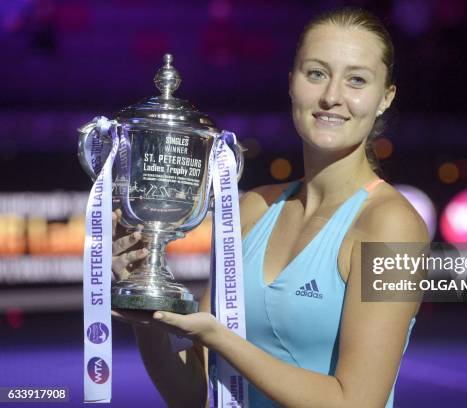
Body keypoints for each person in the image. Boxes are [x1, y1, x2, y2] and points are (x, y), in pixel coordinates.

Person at [112, 6, 428, 408]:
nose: (332, 96)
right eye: (316, 73)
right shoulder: (252, 209)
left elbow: (357, 403)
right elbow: (191, 395)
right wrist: (149, 313)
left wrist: (218, 337)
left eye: (357, 80)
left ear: (385, 98)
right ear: (292, 82)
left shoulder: (394, 226)